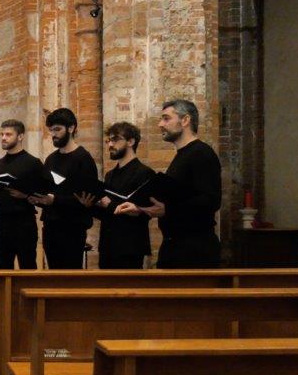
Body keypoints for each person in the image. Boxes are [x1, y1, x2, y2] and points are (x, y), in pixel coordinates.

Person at [116, 99, 223, 268]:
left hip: (195, 251)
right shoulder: (182, 155)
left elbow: (211, 201)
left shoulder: (201, 153)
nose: (160, 124)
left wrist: (167, 210)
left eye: (166, 118)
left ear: (185, 120)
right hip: (176, 247)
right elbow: (177, 199)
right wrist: (141, 208)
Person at [77, 122, 156, 269]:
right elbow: (108, 214)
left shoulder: (144, 173)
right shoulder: (110, 175)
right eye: (108, 141)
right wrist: (90, 206)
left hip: (130, 247)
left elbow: (144, 213)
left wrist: (110, 204)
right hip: (108, 245)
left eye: (115, 140)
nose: (110, 145)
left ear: (131, 141)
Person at [28, 108, 99, 269]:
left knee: (70, 278)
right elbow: (47, 190)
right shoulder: (51, 159)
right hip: (51, 226)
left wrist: (55, 200)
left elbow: (87, 199)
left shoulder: (83, 158)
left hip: (73, 228)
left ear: (71, 128)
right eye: (51, 130)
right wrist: (38, 198)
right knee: (53, 275)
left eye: (57, 129)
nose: (53, 134)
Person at [0, 119, 45, 270]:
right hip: (1, 223)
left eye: (8, 134)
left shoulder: (33, 163)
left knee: (27, 267)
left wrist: (26, 196)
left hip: (24, 223)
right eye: (2, 134)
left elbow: (44, 196)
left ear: (20, 136)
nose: (3, 138)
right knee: (2, 268)